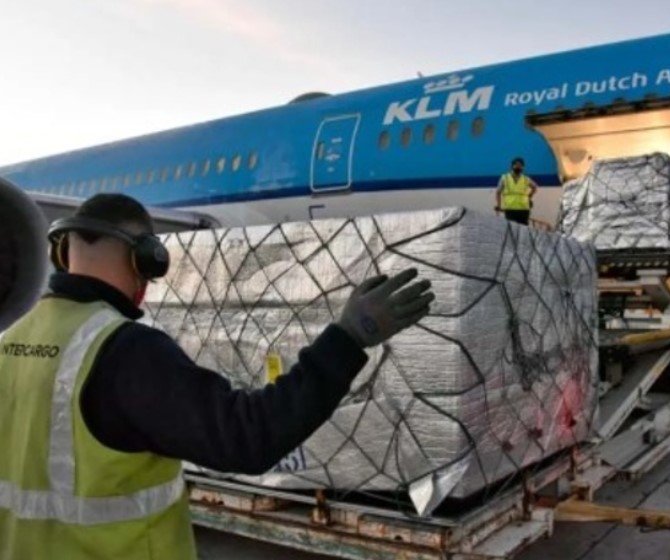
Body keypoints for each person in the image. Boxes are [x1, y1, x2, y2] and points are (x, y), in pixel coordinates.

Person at [0, 194, 434, 559]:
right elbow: (248, 437)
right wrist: (348, 339)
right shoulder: (125, 351)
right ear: (145, 259)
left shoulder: (11, 340)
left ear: (63, 254)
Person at [495, 157, 538, 225]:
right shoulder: (505, 178)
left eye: (520, 165)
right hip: (510, 209)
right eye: (516, 165)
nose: (518, 167)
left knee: (523, 229)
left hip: (524, 209)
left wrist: (529, 197)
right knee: (511, 229)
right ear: (512, 166)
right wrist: (498, 206)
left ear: (523, 167)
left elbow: (535, 187)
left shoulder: (526, 179)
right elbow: (498, 192)